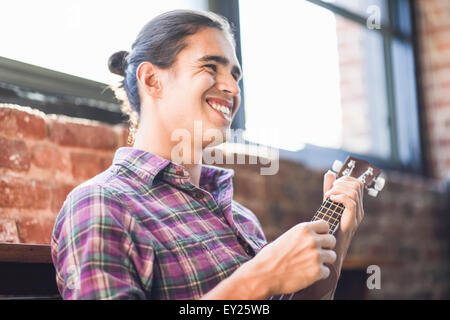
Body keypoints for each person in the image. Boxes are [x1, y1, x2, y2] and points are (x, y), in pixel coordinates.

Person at [51, 9, 365, 300]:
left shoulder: (241, 219)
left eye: (235, 75)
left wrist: (337, 241)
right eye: (210, 67)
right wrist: (257, 278)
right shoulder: (102, 204)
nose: (232, 87)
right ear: (152, 80)